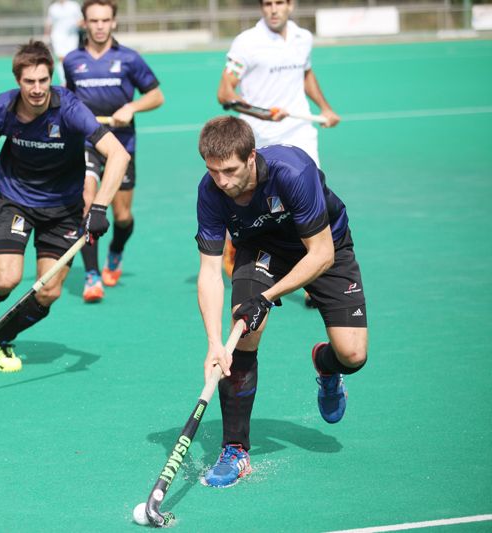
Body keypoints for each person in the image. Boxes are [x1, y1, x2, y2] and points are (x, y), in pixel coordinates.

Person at [194, 116, 367, 488]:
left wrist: (266, 297)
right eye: (213, 171)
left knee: (353, 355)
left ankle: (326, 364)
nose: (221, 181)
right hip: (261, 248)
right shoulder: (210, 192)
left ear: (251, 157)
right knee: (244, 332)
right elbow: (209, 271)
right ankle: (234, 449)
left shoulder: (293, 171)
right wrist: (214, 343)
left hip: (324, 246)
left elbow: (321, 254)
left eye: (229, 171)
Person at [0, 40, 130, 372]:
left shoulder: (70, 109)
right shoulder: (4, 106)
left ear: (51, 78)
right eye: (29, 81)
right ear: (18, 81)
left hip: (63, 209)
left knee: (49, 292)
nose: (37, 89)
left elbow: (118, 155)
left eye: (43, 80)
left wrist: (100, 207)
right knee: (7, 279)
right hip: (15, 199)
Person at [216, 0, 340, 285]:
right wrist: (262, 113)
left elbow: (305, 73)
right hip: (261, 137)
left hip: (300, 133)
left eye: (279, 2)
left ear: (290, 5)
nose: (273, 9)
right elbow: (225, 93)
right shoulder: (247, 42)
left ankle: (312, 273)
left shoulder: (303, 38)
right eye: (267, 3)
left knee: (311, 196)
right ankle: (234, 244)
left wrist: (324, 107)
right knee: (255, 202)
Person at [63, 0, 164, 303]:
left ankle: (116, 250)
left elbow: (156, 96)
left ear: (114, 22)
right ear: (84, 23)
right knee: (87, 203)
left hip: (121, 144)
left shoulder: (129, 58)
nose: (99, 26)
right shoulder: (72, 60)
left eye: (105, 20)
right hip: (87, 142)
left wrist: (131, 107)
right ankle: (92, 275)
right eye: (94, 20)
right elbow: (68, 99)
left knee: (122, 216)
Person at [44, 0, 83, 85]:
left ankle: (73, 79)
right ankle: (64, 81)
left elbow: (81, 20)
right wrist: (46, 36)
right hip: (57, 37)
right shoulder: (53, 8)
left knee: (71, 58)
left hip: (72, 36)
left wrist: (76, 26)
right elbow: (49, 23)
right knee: (61, 59)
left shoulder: (74, 6)